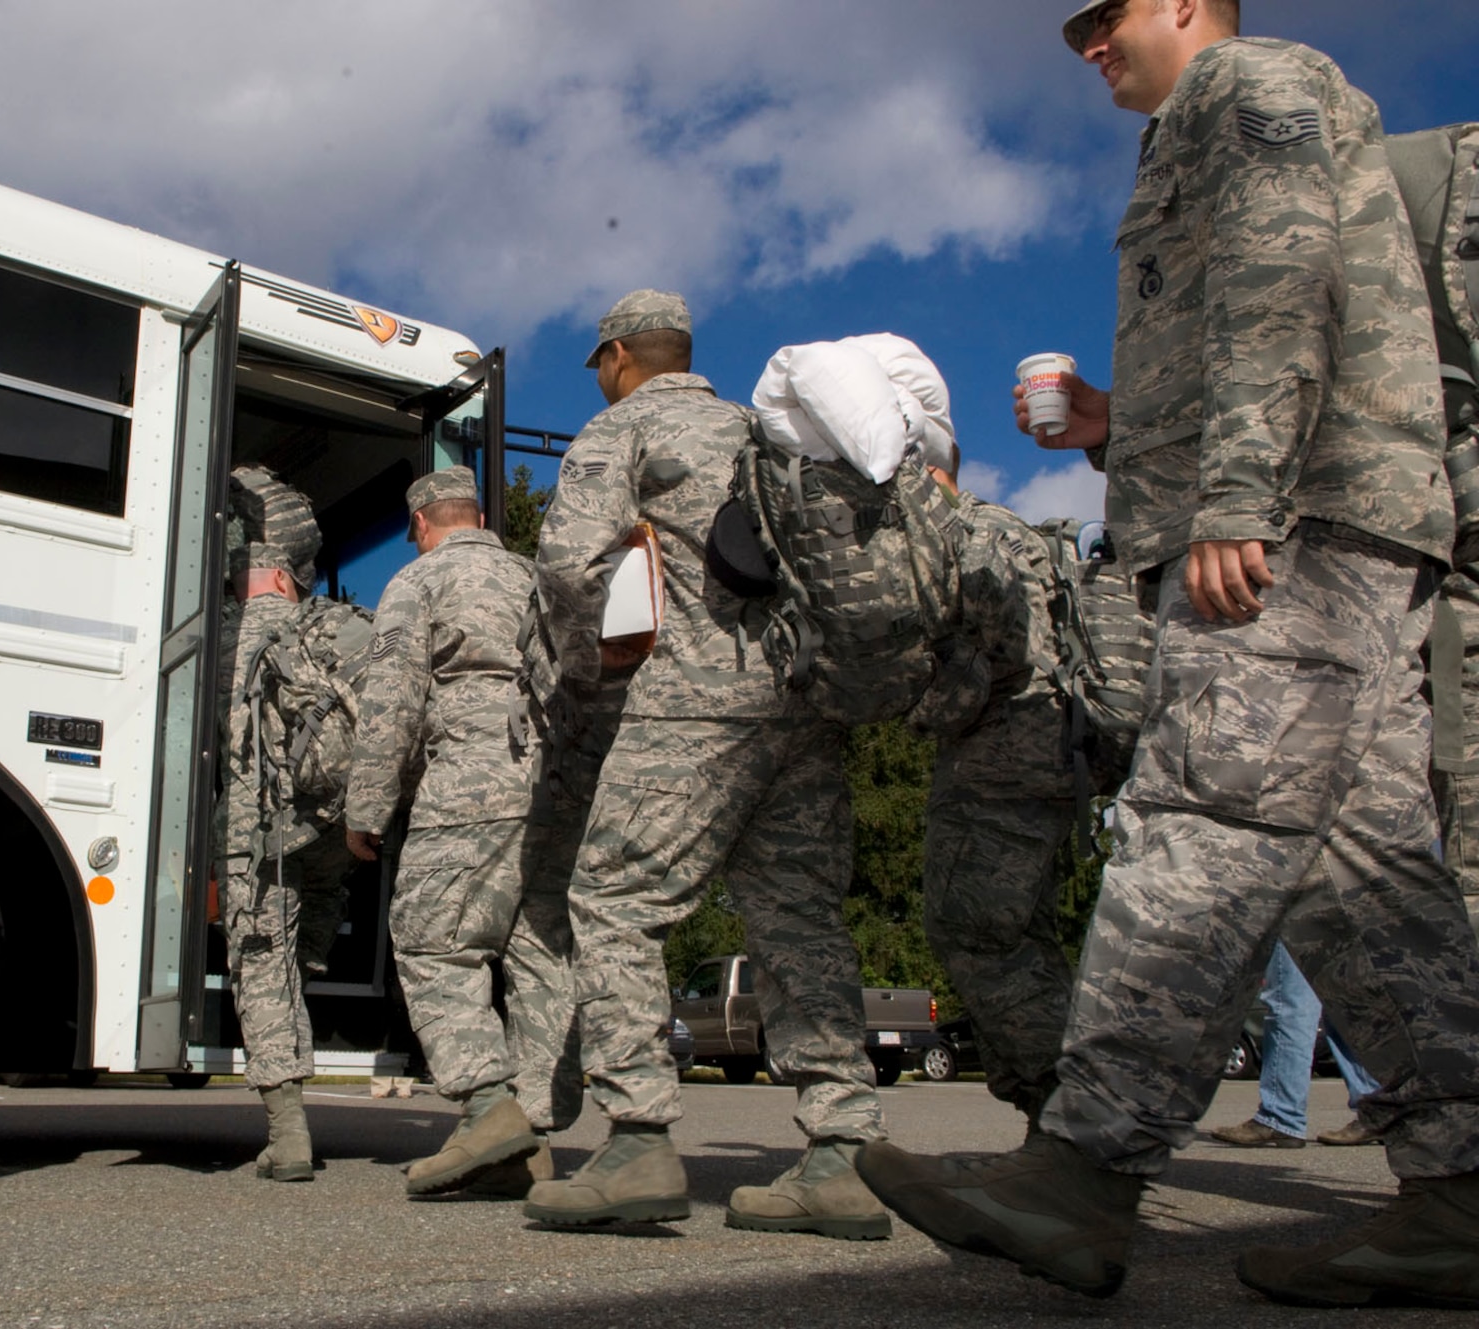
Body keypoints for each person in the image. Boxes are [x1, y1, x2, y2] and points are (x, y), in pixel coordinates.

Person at [857, 1, 1479, 1307]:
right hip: (1323, 507)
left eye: (1110, 13)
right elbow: (1260, 312)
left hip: (1296, 521)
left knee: (1198, 812)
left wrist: (1239, 495)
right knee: (1353, 868)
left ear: (1191, 2)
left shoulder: (1250, 81)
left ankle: (1081, 1176)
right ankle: (1462, 1193)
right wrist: (1110, 423)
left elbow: (1283, 263)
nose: (1088, 42)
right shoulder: (1205, 121)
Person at [526, 290, 890, 1237]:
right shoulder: (766, 428)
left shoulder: (627, 425)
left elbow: (567, 563)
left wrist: (581, 667)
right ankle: (840, 1152)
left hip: (698, 695)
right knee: (798, 915)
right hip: (804, 701)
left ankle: (638, 1139)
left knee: (611, 896)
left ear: (615, 357)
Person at [343, 466, 580, 1198]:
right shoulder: (537, 577)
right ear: (477, 514)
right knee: (541, 953)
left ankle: (486, 1106)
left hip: (472, 784)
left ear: (420, 524)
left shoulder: (419, 583)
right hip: (559, 788)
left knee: (431, 938)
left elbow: (391, 704)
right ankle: (532, 1133)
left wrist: (367, 809)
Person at [913, 447, 1081, 1133]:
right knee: (1023, 937)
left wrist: (914, 706)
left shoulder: (969, 535)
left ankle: (1069, 1118)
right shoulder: (1006, 528)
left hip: (1005, 756)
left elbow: (999, 658)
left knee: (974, 929)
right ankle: (1059, 1127)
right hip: (1045, 753)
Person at [215, 466, 353, 1182]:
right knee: (299, 942)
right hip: (328, 824)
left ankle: (289, 1133)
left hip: (254, 833)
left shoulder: (220, 633)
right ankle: (321, 947)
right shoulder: (328, 623)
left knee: (261, 963)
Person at [1210, 943, 1382, 1149]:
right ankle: (1377, 1113)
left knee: (1291, 1003)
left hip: (1298, 914)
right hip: (1342, 916)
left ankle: (1280, 1116)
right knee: (1341, 1003)